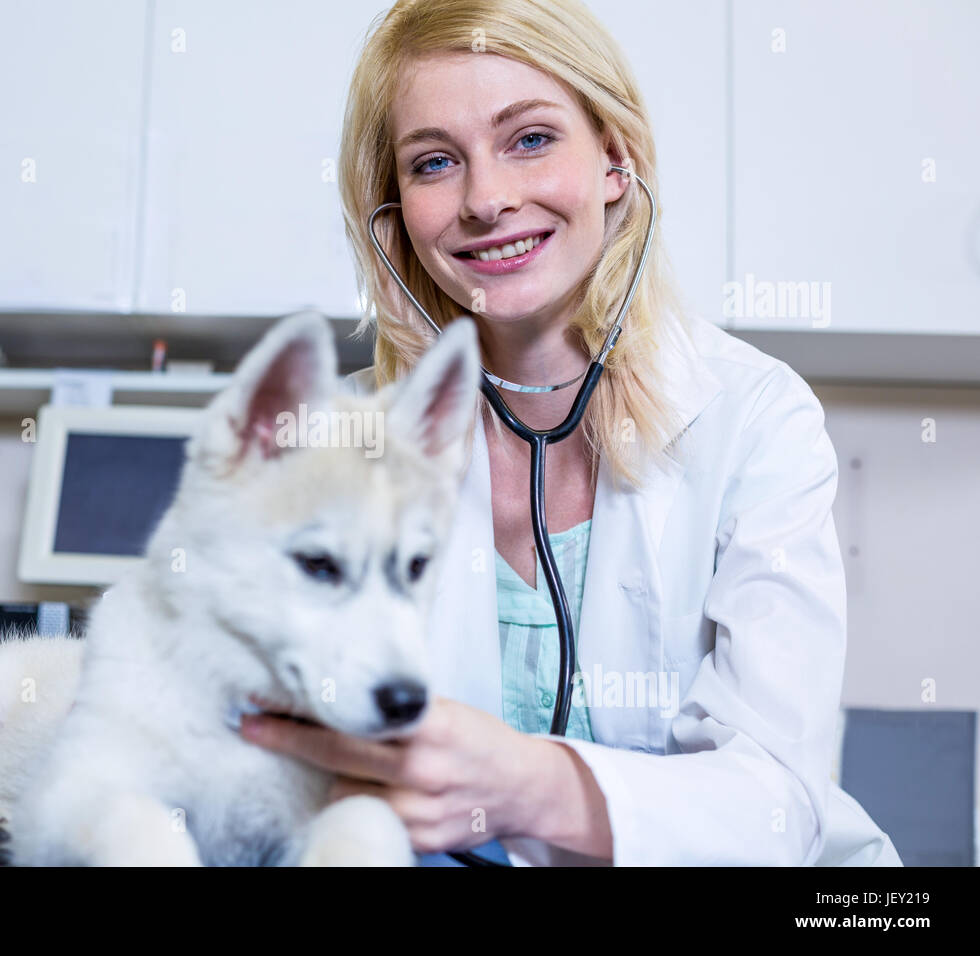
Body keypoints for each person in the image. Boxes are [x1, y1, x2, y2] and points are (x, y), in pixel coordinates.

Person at [238, 0, 901, 866]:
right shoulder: (340, 445)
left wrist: (528, 785)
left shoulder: (755, 419)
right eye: (435, 162)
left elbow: (776, 803)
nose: (488, 199)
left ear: (616, 160)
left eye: (531, 139)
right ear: (396, 210)